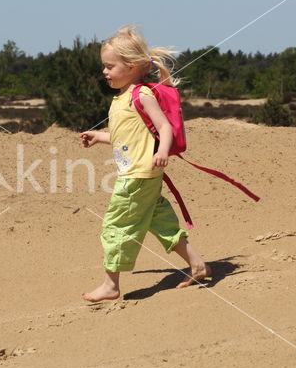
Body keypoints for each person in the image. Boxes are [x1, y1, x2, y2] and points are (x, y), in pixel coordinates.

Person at [80, 25, 211, 302]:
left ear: (133, 66)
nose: (105, 72)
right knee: (159, 221)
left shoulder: (142, 94)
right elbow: (124, 136)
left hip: (137, 175)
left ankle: (111, 285)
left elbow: (165, 128)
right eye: (104, 66)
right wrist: (99, 137)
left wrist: (162, 152)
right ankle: (198, 265)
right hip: (142, 174)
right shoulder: (122, 98)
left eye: (110, 66)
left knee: (116, 226)